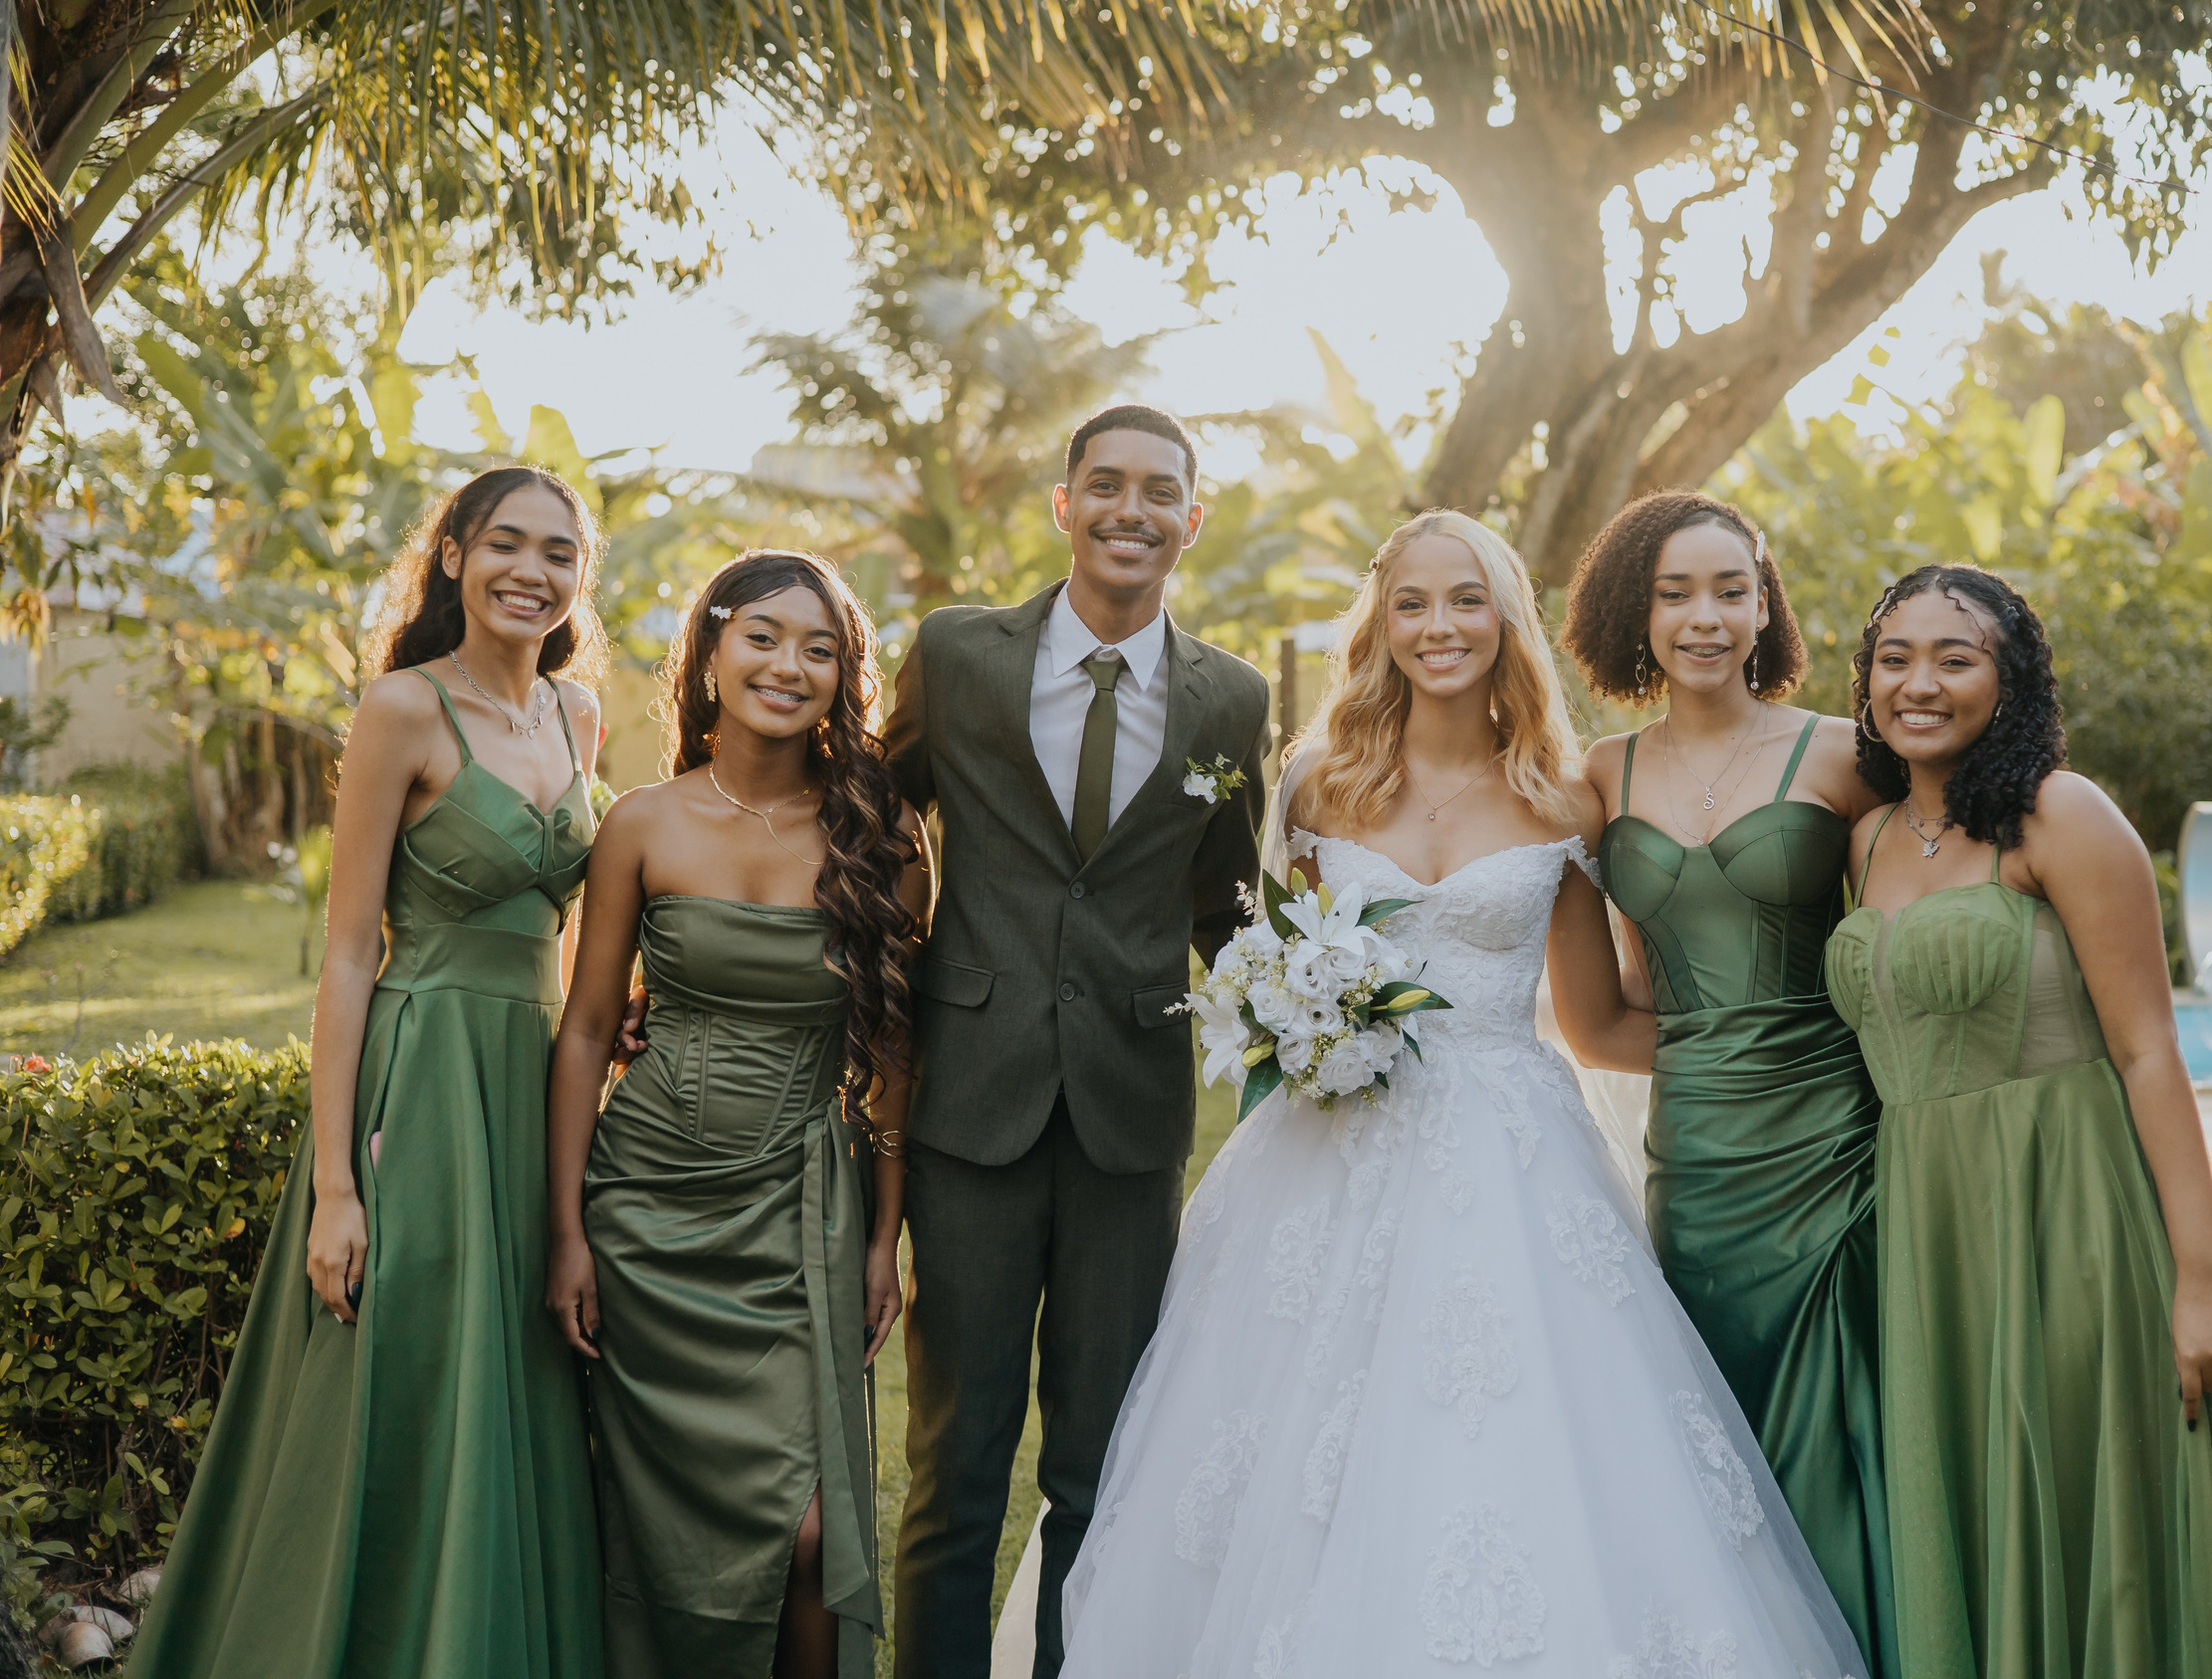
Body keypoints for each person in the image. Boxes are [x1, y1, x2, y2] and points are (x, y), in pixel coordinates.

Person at [1056, 510, 1872, 1678]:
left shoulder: (1562, 793)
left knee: (1507, 1441)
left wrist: (1778, 1065)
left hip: (1510, 1160)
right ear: (1380, 626)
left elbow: (1595, 1021)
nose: (1439, 627)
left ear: (1507, 620)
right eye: (1413, 604)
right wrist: (1300, 1022)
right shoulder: (1314, 785)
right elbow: (1272, 961)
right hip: (1319, 1158)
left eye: (1466, 601)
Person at [128, 468, 609, 1679]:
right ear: (452, 556)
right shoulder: (403, 708)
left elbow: (557, 940)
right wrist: (336, 1183)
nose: (531, 574)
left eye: (559, 554)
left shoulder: (580, 718)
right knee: (397, 1387)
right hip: (425, 1085)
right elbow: (348, 956)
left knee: (510, 1391)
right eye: (505, 544)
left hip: (532, 1086)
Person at [1826, 564, 2212, 1678]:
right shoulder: (1866, 840)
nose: (1919, 683)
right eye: (1894, 659)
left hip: (2069, 1209)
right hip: (1930, 1232)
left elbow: (2146, 1050)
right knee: (1971, 1503)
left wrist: (2203, 1275)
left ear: (2012, 678)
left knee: (2096, 1509)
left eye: (1956, 657)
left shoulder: (2060, 814)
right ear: (1867, 683)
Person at [885, 404, 1272, 1679]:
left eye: (1159, 491)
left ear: (1190, 519)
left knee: (1101, 1466)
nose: (1130, 510)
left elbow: (1224, 904)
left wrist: (1319, 1014)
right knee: (955, 1464)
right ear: (1063, 505)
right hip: (970, 1113)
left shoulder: (1231, 699)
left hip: (1128, 1117)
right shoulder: (958, 657)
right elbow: (869, 821)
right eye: (1103, 485)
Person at [545, 550, 928, 1679]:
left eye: (819, 649)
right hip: (646, 1209)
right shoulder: (642, 824)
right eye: (762, 636)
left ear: (841, 679)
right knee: (655, 1531)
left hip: (800, 1207)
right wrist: (567, 1227)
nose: (786, 665)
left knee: (811, 1531)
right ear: (709, 652)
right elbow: (582, 1032)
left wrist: (881, 1234)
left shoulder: (881, 837)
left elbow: (896, 1055)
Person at [1561, 491, 1895, 1676]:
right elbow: (1601, 1019)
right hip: (1696, 1169)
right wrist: (1720, 1055)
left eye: (1728, 590)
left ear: (1765, 605)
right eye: (1673, 592)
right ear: (1631, 612)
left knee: (1844, 1443)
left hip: (1839, 1152)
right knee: (1718, 1450)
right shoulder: (1595, 780)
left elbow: (1913, 941)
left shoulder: (1852, 758)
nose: (1703, 617)